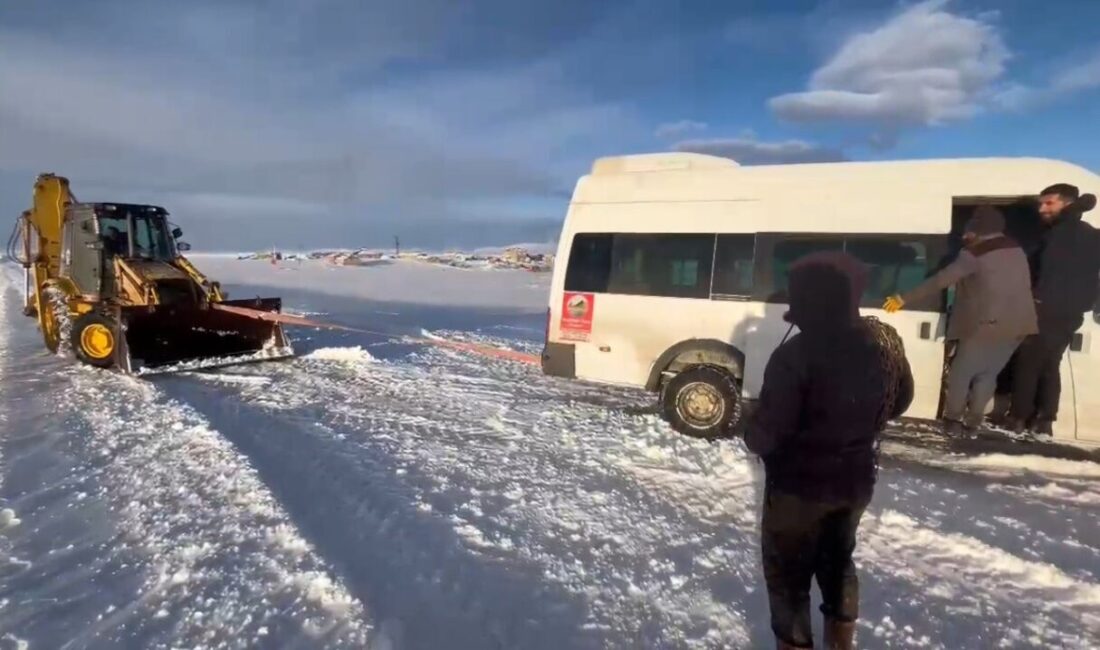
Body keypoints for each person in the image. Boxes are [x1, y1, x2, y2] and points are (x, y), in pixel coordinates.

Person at [745, 251, 913, 650]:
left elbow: (768, 434)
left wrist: (750, 429)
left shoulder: (794, 356)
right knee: (838, 562)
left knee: (788, 578)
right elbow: (901, 399)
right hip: (855, 481)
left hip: (797, 493)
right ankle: (841, 644)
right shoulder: (882, 344)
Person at [883, 206, 1036, 434]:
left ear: (977, 231)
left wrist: (903, 298)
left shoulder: (974, 254)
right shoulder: (1016, 249)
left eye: (968, 232)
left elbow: (941, 280)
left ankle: (953, 421)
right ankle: (973, 423)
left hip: (986, 325)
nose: (964, 237)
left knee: (961, 375)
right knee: (987, 374)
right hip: (1019, 326)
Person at [1005, 185, 1100, 435]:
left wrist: (1033, 300)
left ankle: (1018, 418)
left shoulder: (1053, 235)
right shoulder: (1093, 235)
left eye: (1048, 203)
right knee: (1050, 363)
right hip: (1073, 313)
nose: (1042, 209)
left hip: (1045, 308)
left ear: (1066, 204)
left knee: (1028, 363)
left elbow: (1041, 273)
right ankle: (1045, 420)